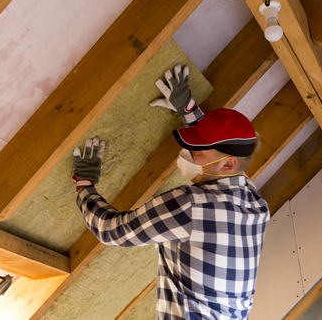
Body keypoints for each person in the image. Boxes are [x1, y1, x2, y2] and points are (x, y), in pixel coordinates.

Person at [72, 64, 269, 320]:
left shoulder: (192, 206)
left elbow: (113, 231)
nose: (187, 153)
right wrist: (188, 110)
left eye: (196, 149)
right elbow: (220, 152)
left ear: (228, 164)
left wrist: (84, 185)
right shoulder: (254, 202)